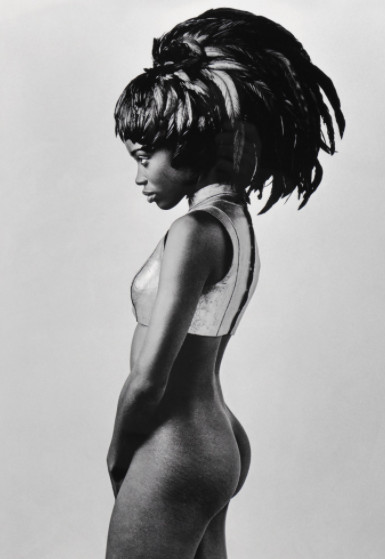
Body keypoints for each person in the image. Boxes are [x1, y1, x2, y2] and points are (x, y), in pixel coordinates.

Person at [106, 7, 345, 558]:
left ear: (187, 140)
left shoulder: (193, 232)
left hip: (175, 446)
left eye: (144, 156)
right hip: (215, 436)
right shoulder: (235, 222)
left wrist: (119, 454)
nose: (139, 176)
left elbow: (149, 378)